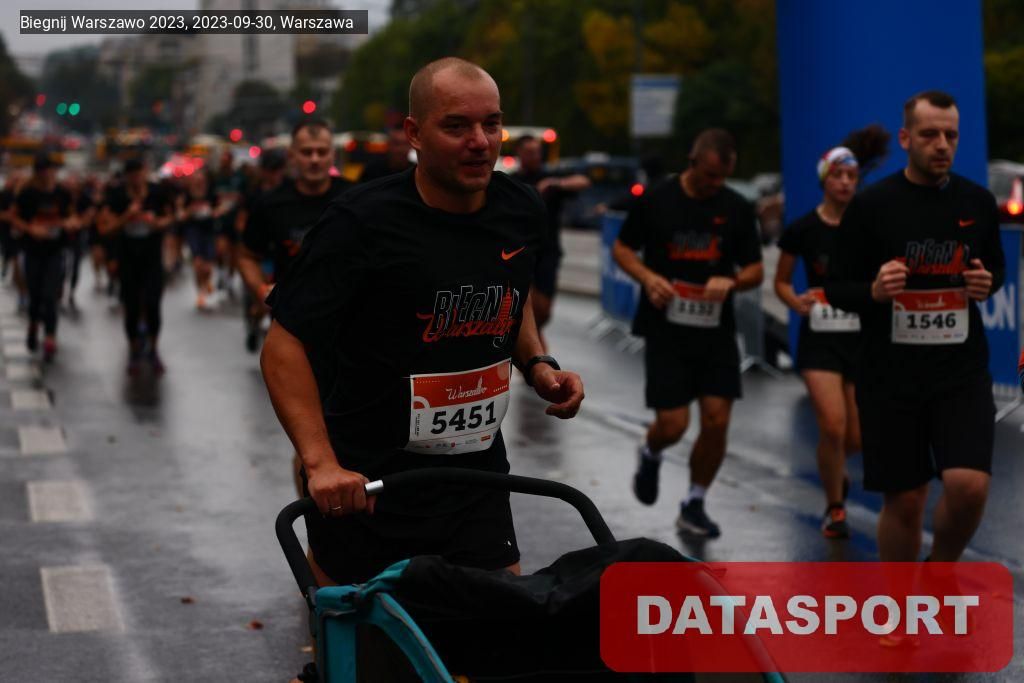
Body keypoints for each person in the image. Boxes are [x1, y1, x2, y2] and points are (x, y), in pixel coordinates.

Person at [261, 57, 585, 588]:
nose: (479, 142)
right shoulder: (360, 222)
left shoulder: (521, 208)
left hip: (475, 482)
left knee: (497, 624)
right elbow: (284, 346)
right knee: (366, 634)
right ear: (414, 133)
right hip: (368, 490)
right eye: (456, 126)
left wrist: (538, 364)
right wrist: (320, 465)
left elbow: (513, 294)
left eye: (491, 124)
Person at [826, 91, 1004, 562]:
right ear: (906, 139)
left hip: (960, 371)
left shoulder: (977, 202)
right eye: (929, 134)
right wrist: (873, 291)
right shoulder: (872, 206)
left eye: (951, 135)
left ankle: (940, 570)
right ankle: (904, 601)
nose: (942, 144)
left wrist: (987, 282)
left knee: (969, 486)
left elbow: (996, 270)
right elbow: (835, 286)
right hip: (890, 376)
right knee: (906, 500)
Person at [612, 129, 763, 538]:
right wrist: (648, 278)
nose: (716, 185)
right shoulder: (658, 199)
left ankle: (695, 502)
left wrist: (732, 282)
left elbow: (755, 269)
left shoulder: (735, 207)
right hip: (666, 329)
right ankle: (651, 451)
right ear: (692, 162)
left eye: (723, 178)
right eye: (710, 176)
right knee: (674, 425)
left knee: (716, 420)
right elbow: (622, 249)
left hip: (715, 331)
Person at [775, 146, 862, 538]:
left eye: (851, 177)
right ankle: (835, 508)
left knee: (856, 437)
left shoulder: (867, 225)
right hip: (820, 341)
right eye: (837, 176)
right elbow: (781, 281)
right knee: (832, 426)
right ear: (824, 180)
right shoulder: (803, 229)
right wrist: (795, 301)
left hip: (859, 340)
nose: (844, 183)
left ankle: (834, 468)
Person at [238, 121, 352, 353]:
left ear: (333, 155)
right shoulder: (270, 203)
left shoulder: (355, 199)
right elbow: (246, 256)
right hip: (290, 325)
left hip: (346, 323)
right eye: (306, 152)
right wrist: (262, 291)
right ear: (292, 155)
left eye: (322, 152)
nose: (314, 159)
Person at [97, 159, 174, 376]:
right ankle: (133, 351)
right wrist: (126, 217)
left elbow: (170, 217)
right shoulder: (117, 196)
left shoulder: (157, 193)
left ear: (145, 172)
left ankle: (153, 349)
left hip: (152, 258)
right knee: (131, 306)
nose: (136, 179)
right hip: (128, 258)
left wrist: (155, 223)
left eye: (139, 174)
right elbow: (105, 228)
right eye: (132, 175)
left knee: (153, 304)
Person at [513, 135, 590, 349]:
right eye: (530, 152)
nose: (536, 156)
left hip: (548, 250)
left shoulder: (550, 177)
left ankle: (531, 339)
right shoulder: (512, 181)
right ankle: (532, 347)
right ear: (519, 153)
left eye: (538, 152)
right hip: (519, 251)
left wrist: (556, 183)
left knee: (544, 309)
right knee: (524, 302)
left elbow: (583, 181)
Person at [13, 154, 78, 361]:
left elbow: (72, 215)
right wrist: (30, 229)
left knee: (51, 295)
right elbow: (13, 217)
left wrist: (71, 222)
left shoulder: (62, 193)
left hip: (55, 251)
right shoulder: (27, 194)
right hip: (33, 251)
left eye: (51, 170)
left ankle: (50, 335)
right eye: (43, 171)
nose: (48, 175)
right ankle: (33, 324)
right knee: (35, 294)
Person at [235, 148, 287, 351]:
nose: (275, 175)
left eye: (279, 169)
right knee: (261, 297)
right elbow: (241, 222)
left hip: (281, 254)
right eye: (271, 170)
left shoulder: (289, 193)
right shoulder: (254, 195)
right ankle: (255, 323)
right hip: (260, 254)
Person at [176, 168, 226, 310]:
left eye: (201, 180)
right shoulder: (186, 195)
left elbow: (221, 207)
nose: (199, 183)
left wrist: (213, 212)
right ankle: (201, 293)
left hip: (209, 230)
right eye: (196, 180)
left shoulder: (211, 193)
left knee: (208, 266)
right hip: (193, 231)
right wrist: (189, 211)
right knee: (198, 263)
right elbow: (180, 214)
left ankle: (206, 283)